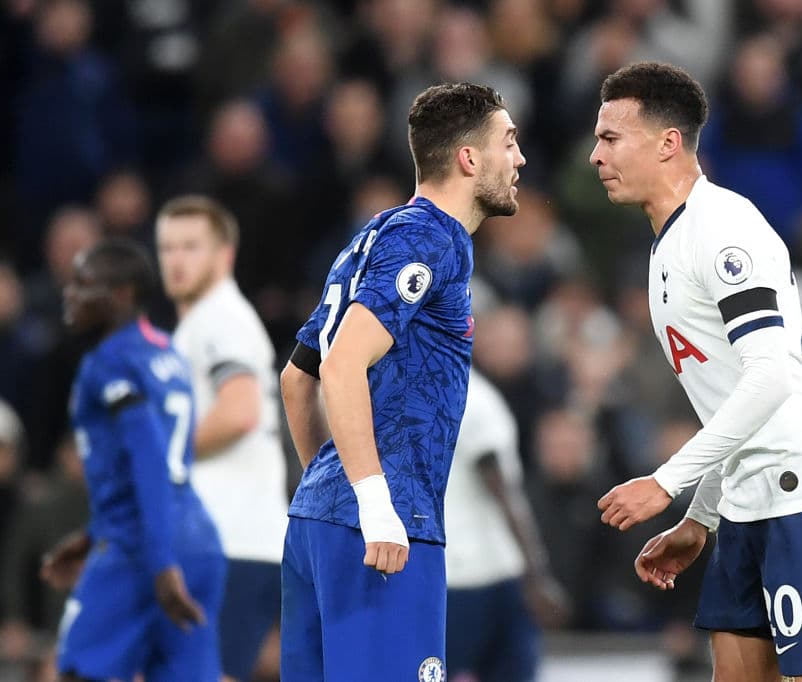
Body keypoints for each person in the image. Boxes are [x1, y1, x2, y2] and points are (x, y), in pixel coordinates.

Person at [589, 62, 802, 682]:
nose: (595, 155)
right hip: (749, 496)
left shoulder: (723, 228)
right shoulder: (667, 243)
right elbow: (728, 402)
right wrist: (702, 517)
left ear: (668, 142)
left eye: (611, 138)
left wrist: (667, 483)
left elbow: (769, 377)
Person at [278, 82, 525, 681]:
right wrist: (373, 503)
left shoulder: (370, 237)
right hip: (386, 532)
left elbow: (296, 376)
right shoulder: (429, 238)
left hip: (319, 525)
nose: (519, 160)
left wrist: (333, 490)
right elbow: (340, 366)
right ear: (469, 159)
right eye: (509, 143)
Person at [43, 239, 225, 681]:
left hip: (140, 546)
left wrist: (161, 564)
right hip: (199, 540)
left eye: (84, 284)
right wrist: (91, 536)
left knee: (75, 672)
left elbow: (148, 459)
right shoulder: (166, 352)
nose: (70, 293)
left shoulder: (109, 362)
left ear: (122, 294)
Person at [155, 195, 290, 682]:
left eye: (191, 246)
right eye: (167, 248)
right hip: (229, 538)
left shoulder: (221, 318)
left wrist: (159, 455)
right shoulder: (200, 323)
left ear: (224, 254)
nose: (176, 259)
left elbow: (239, 412)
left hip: (228, 538)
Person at [444, 368, 570, 681]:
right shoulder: (461, 387)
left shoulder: (468, 394)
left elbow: (499, 486)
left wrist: (536, 575)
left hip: (481, 576)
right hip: (475, 573)